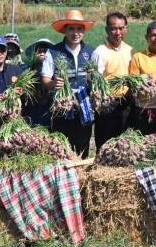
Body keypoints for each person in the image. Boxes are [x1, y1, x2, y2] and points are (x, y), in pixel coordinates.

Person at [42, 10, 96, 157]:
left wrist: (94, 78)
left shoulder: (91, 52)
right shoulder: (53, 52)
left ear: (84, 31)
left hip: (84, 107)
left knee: (83, 146)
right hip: (62, 107)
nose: (75, 33)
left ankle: (82, 177)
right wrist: (52, 84)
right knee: (62, 148)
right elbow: (45, 79)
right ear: (64, 30)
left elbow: (97, 77)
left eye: (79, 29)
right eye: (71, 29)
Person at [90, 12, 133, 149]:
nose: (118, 32)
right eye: (114, 28)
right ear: (107, 29)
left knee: (124, 145)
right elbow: (94, 80)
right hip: (107, 104)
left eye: (121, 28)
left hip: (127, 103)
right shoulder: (100, 52)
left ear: (126, 29)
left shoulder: (130, 50)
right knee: (105, 144)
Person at [22, 38, 54, 128]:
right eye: (39, 51)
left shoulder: (55, 72)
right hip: (31, 112)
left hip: (50, 112)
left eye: (45, 51)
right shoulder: (26, 72)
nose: (42, 53)